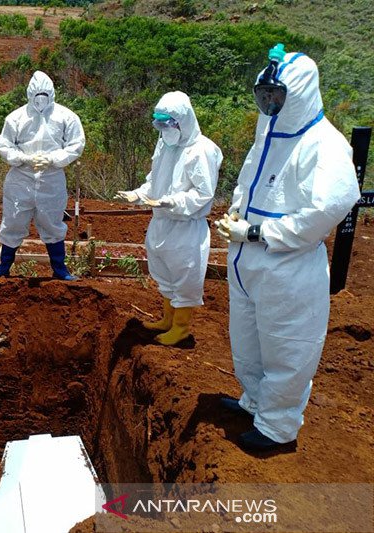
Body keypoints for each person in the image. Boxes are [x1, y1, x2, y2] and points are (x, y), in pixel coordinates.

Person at [215, 44, 360, 452]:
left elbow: (327, 208)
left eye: (278, 96)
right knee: (247, 341)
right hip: (246, 260)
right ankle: (256, 402)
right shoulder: (269, 132)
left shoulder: (324, 144)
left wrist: (260, 233)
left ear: (299, 93)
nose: (270, 103)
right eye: (266, 95)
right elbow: (249, 178)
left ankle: (277, 428)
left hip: (286, 266)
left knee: (285, 346)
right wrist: (237, 214)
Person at [115, 91, 223, 346]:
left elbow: (203, 193)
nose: (163, 129)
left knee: (184, 275)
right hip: (161, 221)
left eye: (167, 123)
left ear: (182, 120)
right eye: (159, 123)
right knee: (164, 271)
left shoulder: (202, 150)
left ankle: (181, 328)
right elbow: (155, 180)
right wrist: (138, 195)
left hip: (186, 226)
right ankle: (167, 319)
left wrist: (173, 201)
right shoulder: (165, 142)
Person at [0, 71, 85, 280]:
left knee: (52, 221)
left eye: (44, 95)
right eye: (37, 95)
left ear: (52, 94)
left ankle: (60, 269)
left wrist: (53, 159)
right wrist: (24, 158)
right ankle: (4, 266)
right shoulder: (16, 117)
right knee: (13, 220)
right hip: (21, 178)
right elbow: (4, 146)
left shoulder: (66, 117)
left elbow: (76, 145)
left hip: (51, 178)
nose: (41, 100)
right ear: (29, 94)